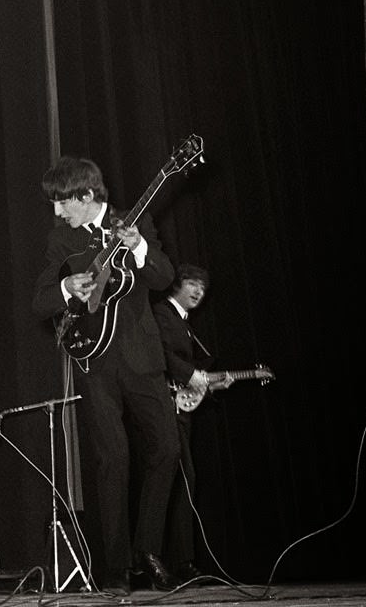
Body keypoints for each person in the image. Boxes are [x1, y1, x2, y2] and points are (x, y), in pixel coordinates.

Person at [32, 156, 180, 595]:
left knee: (168, 448)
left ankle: (147, 550)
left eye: (62, 203)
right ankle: (115, 569)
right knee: (112, 461)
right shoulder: (60, 241)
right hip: (94, 362)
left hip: (142, 357)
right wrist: (66, 288)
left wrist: (138, 248)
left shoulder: (136, 222)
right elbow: (39, 302)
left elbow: (164, 277)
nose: (57, 213)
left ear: (86, 196)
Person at [152, 264, 227, 583]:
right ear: (176, 285)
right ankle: (169, 560)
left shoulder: (184, 323)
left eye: (203, 288)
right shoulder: (162, 314)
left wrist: (208, 382)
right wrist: (190, 375)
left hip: (181, 408)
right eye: (193, 284)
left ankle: (182, 561)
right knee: (176, 479)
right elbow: (160, 355)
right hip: (161, 406)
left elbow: (192, 368)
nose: (198, 291)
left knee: (186, 481)